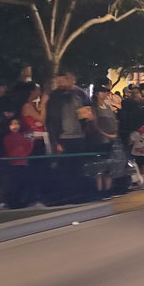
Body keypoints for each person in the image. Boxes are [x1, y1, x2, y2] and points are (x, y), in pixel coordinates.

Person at [46, 72, 89, 203]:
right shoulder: (54, 97)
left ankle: (78, 194)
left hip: (78, 136)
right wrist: (55, 140)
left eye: (64, 80)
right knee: (65, 167)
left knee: (78, 167)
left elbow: (85, 114)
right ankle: (66, 195)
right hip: (63, 137)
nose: (61, 83)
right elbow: (51, 120)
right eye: (59, 81)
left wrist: (86, 126)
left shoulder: (79, 94)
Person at [89, 85, 120, 197]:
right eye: (103, 92)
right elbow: (95, 125)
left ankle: (108, 189)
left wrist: (114, 133)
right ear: (97, 93)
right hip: (100, 139)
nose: (106, 94)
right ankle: (100, 190)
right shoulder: (94, 108)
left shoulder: (107, 106)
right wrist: (106, 134)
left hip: (111, 138)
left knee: (109, 166)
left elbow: (114, 120)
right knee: (100, 166)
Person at [2, 118, 33, 208]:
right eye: (12, 124)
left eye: (17, 123)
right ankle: (13, 202)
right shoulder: (7, 138)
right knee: (14, 184)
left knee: (22, 183)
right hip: (13, 164)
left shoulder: (23, 137)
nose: (15, 126)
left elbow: (28, 148)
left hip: (22, 163)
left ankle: (18, 202)